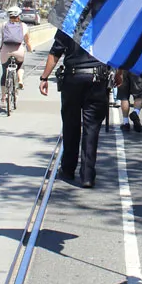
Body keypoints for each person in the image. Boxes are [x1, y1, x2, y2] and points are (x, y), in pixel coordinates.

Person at [39, 30, 110, 188]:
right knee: (91, 128)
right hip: (97, 79)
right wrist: (119, 74)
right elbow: (117, 50)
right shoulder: (105, 20)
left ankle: (68, 169)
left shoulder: (69, 22)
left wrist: (44, 77)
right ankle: (87, 176)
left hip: (72, 79)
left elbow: (55, 52)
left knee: (70, 125)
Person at [0, 6, 32, 102]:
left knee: (4, 72)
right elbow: (27, 41)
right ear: (19, 16)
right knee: (20, 64)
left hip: (5, 51)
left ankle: (3, 96)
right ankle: (20, 80)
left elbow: (3, 39)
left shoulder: (4, 25)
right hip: (19, 51)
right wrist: (30, 49)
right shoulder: (23, 26)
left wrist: (1, 48)